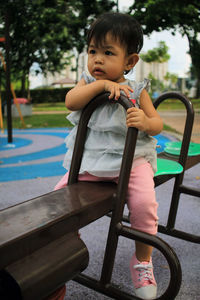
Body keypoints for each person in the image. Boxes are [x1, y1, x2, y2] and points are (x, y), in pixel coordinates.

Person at [54, 12, 163, 300]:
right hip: (91, 162)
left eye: (107, 52)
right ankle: (68, 244)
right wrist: (100, 86)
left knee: (144, 203)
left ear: (130, 61)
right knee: (57, 200)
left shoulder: (137, 91)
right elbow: (70, 101)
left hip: (131, 162)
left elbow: (157, 124)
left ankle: (142, 261)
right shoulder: (87, 82)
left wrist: (144, 121)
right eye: (92, 51)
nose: (97, 59)